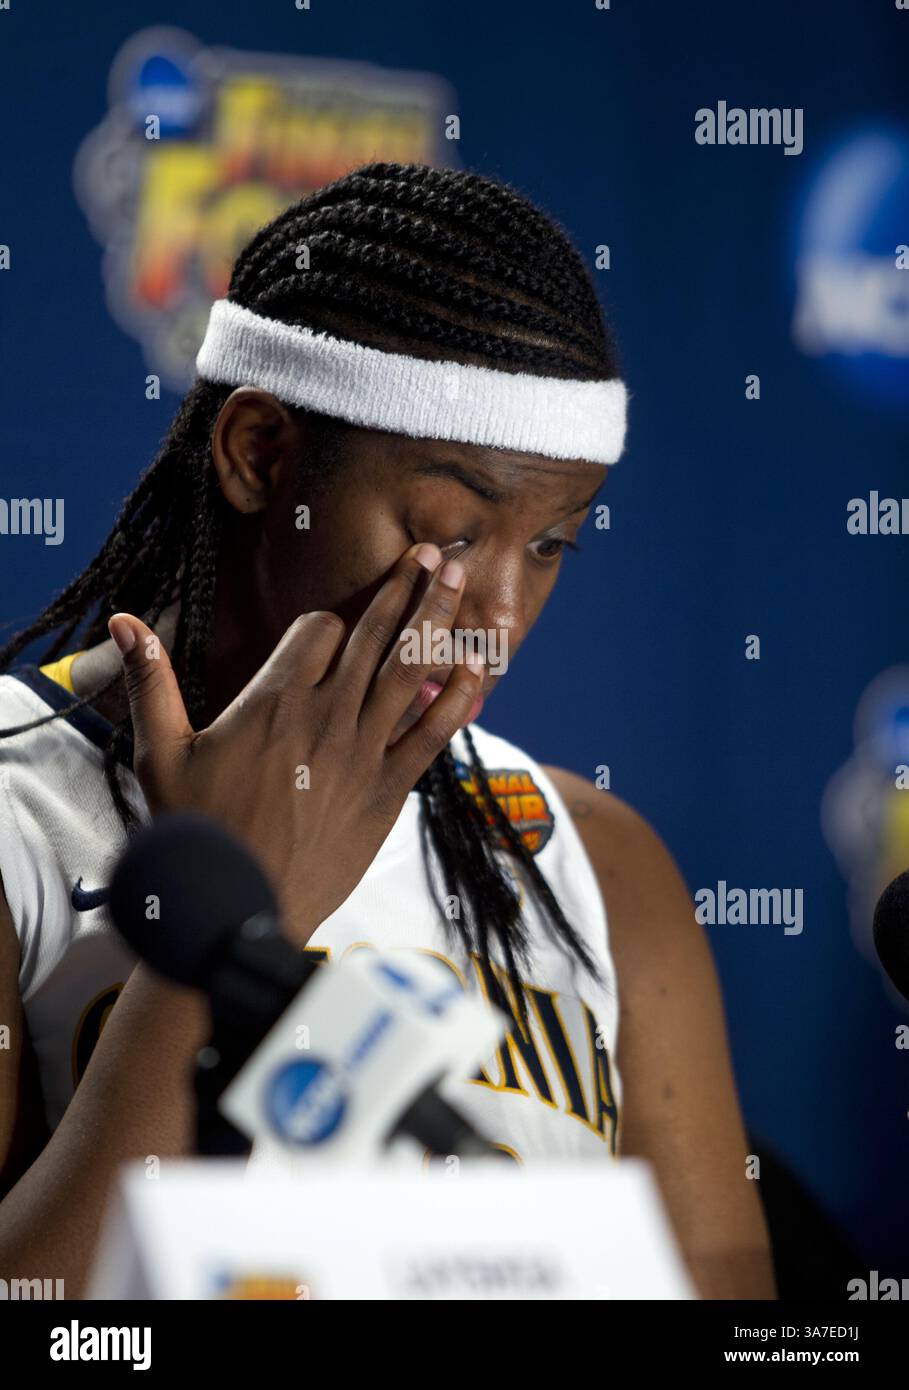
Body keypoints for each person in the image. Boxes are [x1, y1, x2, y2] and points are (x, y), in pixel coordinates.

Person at [0, 162, 775, 1298]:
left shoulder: (596, 865)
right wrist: (224, 930)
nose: (497, 621)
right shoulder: (21, 807)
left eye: (552, 544)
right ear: (262, 455)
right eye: (453, 532)